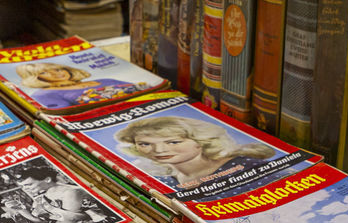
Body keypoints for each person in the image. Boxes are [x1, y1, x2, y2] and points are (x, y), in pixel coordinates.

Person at [115, 116, 276, 189]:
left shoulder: (246, 165)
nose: (159, 150)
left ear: (201, 140)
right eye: (145, 144)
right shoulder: (166, 182)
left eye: (173, 142)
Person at [15, 61, 146, 109]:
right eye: (44, 72)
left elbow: (141, 92)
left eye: (58, 69)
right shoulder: (44, 94)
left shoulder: (106, 80)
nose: (56, 74)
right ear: (36, 78)